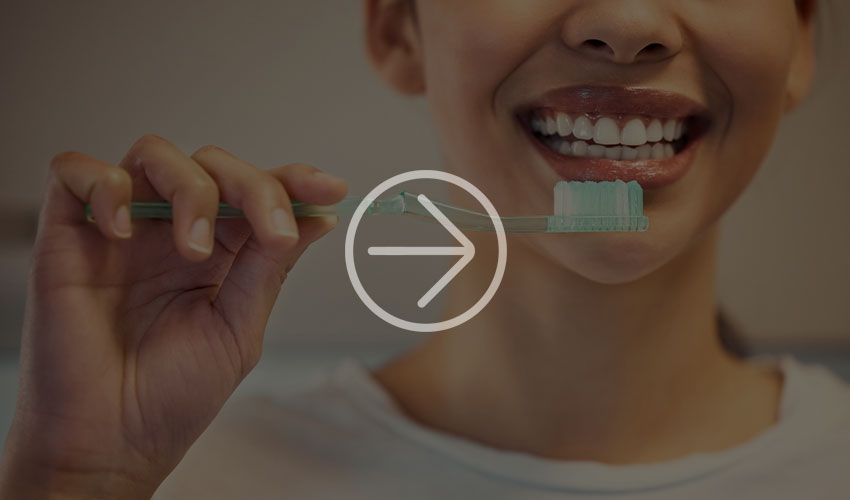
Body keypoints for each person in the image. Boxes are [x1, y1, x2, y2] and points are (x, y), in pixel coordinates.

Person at [2, 0, 848, 498]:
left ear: (802, 37)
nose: (626, 24)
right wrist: (72, 484)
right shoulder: (184, 479)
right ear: (397, 29)